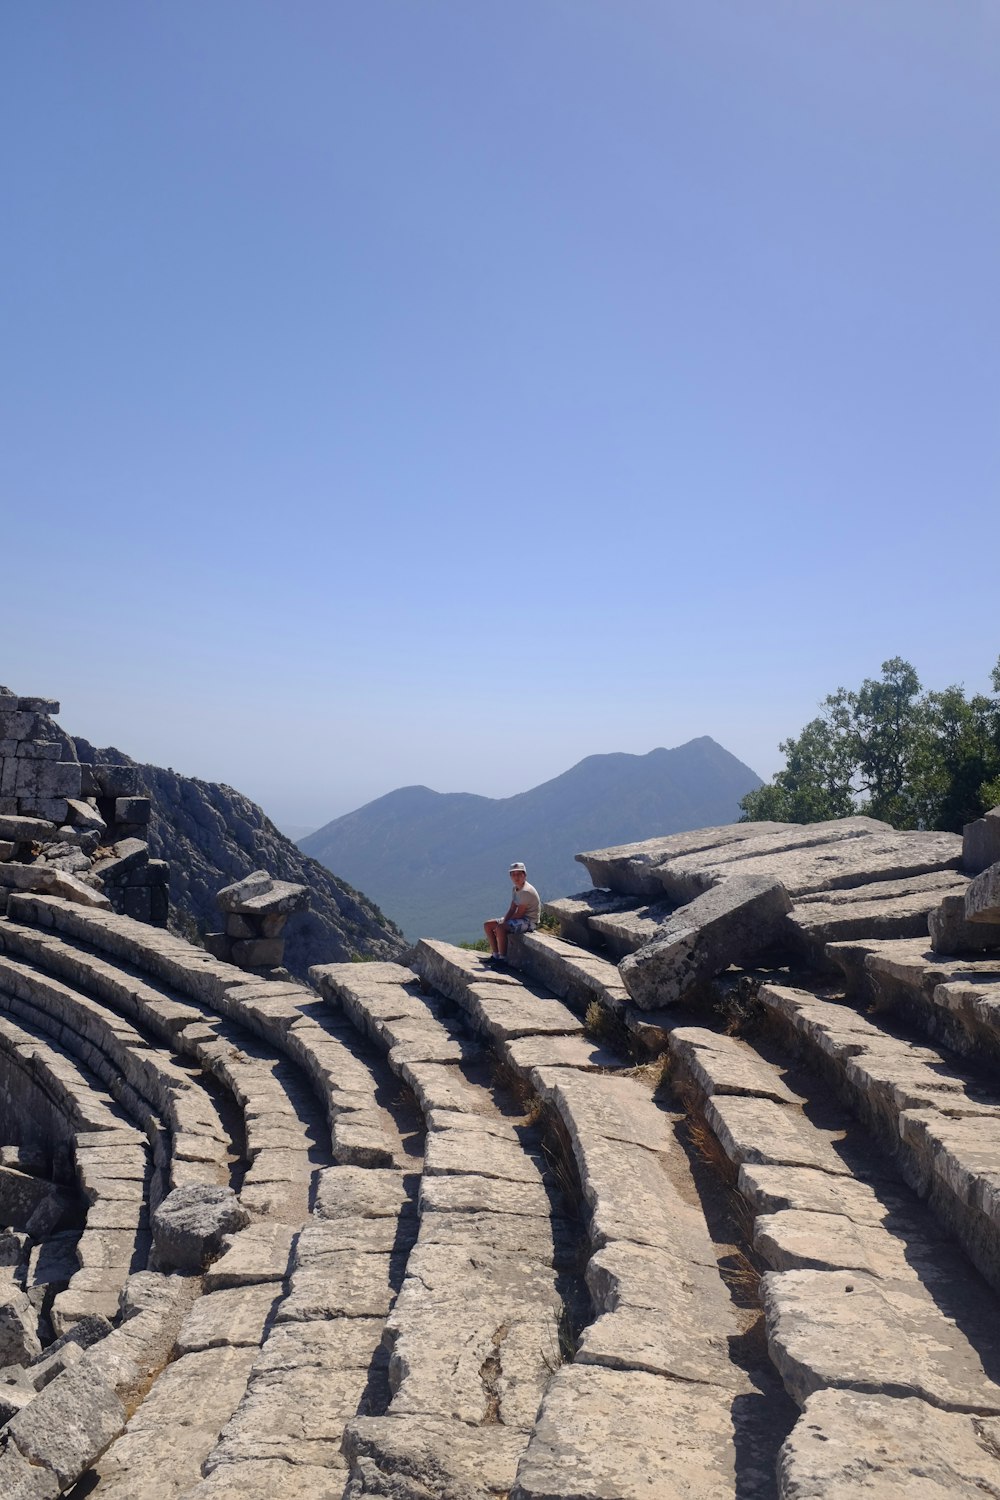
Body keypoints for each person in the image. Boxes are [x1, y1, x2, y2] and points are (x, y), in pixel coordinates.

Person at [484, 862, 541, 963]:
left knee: (501, 928)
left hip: (529, 922)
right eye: (513, 874)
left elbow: (520, 913)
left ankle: (502, 959)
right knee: (488, 925)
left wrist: (502, 925)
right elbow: (512, 908)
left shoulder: (526, 891)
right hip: (520, 918)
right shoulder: (515, 889)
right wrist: (504, 921)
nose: (516, 877)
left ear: (525, 875)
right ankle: (495, 955)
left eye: (519, 874)